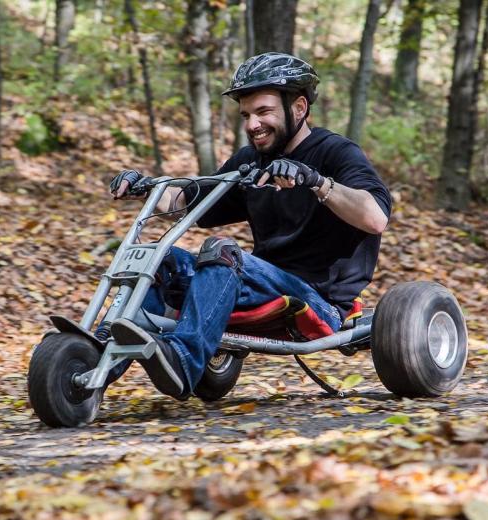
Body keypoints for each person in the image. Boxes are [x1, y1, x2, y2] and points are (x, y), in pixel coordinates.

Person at [106, 52, 392, 400]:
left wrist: (316, 182)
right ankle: (98, 357)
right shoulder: (250, 161)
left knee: (223, 251)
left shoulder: (335, 152)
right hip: (259, 284)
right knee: (163, 260)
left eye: (263, 112)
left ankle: (183, 359)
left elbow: (375, 217)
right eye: (245, 115)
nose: (252, 124)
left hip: (320, 301)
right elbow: (189, 199)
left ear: (299, 108)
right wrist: (146, 187)